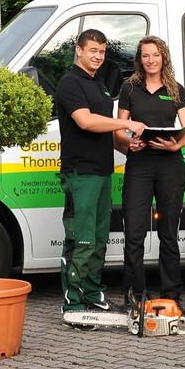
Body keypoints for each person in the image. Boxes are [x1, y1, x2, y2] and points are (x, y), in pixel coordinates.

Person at [56, 28, 146, 318]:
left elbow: (103, 132)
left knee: (99, 239)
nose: (98, 56)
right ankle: (72, 304)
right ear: (78, 51)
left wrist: (126, 147)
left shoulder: (98, 84)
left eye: (102, 52)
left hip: (102, 171)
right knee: (81, 240)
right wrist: (125, 126)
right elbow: (85, 122)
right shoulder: (70, 83)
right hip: (80, 173)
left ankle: (93, 294)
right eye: (93, 50)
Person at [114, 36, 185, 307]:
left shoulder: (176, 89)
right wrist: (129, 143)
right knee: (134, 233)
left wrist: (176, 146)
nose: (151, 60)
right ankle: (133, 296)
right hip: (139, 165)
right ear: (140, 59)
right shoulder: (129, 88)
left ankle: (171, 296)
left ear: (164, 58)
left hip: (170, 165)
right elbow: (118, 131)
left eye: (156, 55)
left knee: (168, 233)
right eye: (146, 55)